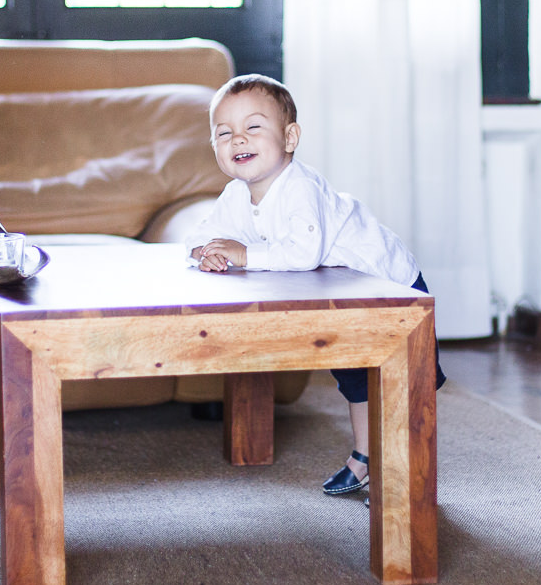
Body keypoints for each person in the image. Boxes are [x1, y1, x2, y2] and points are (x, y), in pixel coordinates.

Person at [185, 74, 444, 497]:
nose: (237, 140)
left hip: (389, 285)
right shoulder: (236, 195)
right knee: (356, 380)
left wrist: (244, 254)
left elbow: (302, 253)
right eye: (223, 133)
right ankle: (365, 457)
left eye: (253, 127)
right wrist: (205, 251)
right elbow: (198, 234)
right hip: (342, 295)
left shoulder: (300, 187)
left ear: (289, 138)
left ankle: (408, 481)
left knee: (404, 385)